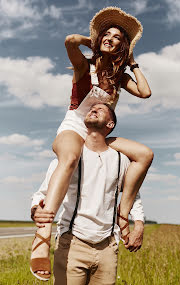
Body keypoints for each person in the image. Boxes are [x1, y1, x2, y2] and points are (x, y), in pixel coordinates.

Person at [30, 6, 153, 280]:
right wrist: (96, 45)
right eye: (107, 33)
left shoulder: (120, 78)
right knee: (71, 158)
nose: (111, 37)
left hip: (98, 135)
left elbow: (145, 92)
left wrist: (132, 62)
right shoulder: (84, 66)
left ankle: (123, 213)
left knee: (144, 154)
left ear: (124, 45)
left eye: (118, 37)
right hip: (75, 127)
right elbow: (70, 41)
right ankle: (42, 235)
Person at [31, 103, 145, 284]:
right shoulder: (69, 155)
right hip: (72, 243)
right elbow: (43, 193)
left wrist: (138, 224)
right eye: (92, 108)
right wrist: (36, 209)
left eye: (101, 109)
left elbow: (133, 193)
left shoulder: (120, 159)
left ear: (110, 124)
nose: (93, 109)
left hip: (107, 247)